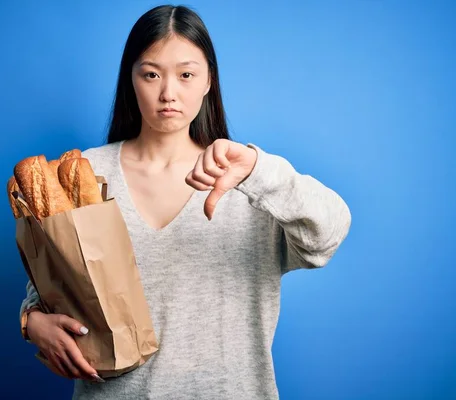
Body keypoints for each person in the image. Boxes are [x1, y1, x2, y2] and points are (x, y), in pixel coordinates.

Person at [18, 4, 352, 399]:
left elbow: (327, 236)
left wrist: (260, 170)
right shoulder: (86, 171)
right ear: (131, 79)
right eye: (151, 74)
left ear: (209, 80)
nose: (168, 93)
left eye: (186, 74)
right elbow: (55, 284)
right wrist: (32, 321)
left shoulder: (246, 178)